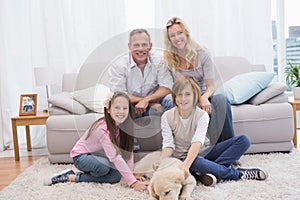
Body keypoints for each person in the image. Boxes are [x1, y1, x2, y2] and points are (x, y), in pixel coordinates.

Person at [158, 75, 268, 187]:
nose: (183, 99)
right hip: (182, 158)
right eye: (179, 95)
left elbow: (197, 142)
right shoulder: (167, 116)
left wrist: (187, 165)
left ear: (195, 96)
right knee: (196, 162)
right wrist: (163, 160)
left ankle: (206, 172)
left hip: (203, 152)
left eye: (187, 94)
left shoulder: (202, 115)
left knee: (243, 140)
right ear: (174, 96)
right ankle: (238, 174)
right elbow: (168, 145)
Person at [44, 92, 147, 192]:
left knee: (115, 176)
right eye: (117, 108)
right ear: (108, 110)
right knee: (104, 167)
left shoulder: (124, 126)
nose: (121, 112)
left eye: (125, 108)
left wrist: (131, 174)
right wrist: (133, 183)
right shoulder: (102, 128)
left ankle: (75, 176)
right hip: (81, 157)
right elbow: (114, 156)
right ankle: (70, 177)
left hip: (98, 157)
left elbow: (128, 151)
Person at [164, 17, 234, 146]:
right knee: (168, 100)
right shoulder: (170, 59)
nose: (177, 38)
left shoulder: (203, 54)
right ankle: (179, 149)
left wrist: (204, 97)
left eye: (179, 33)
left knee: (221, 99)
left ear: (186, 34)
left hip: (202, 93)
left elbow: (211, 86)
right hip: (183, 97)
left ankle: (228, 147)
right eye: (172, 35)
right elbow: (173, 88)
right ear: (169, 40)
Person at [109, 28, 174, 118]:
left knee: (170, 99)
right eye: (136, 45)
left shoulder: (159, 60)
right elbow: (120, 95)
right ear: (129, 46)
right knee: (120, 106)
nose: (140, 49)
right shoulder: (119, 65)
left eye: (144, 45)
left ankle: (178, 131)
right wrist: (149, 103)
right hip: (132, 105)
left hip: (157, 103)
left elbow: (167, 87)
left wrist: (147, 100)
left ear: (150, 46)